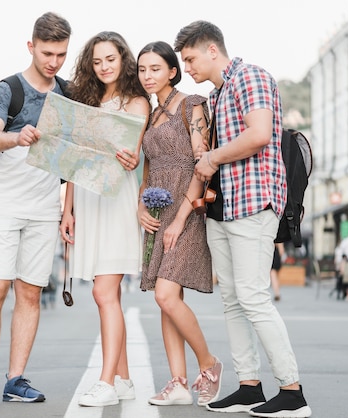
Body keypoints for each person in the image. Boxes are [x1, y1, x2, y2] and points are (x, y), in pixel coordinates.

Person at [174, 21, 312, 417]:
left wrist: (212, 157)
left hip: (252, 204)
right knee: (233, 300)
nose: (188, 68)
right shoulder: (216, 95)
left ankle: (292, 391)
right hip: (223, 208)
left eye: (191, 59)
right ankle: (249, 386)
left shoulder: (250, 77)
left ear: (212, 50)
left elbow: (260, 134)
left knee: (253, 297)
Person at [0, 12, 72, 409]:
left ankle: (15, 379)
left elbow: (76, 157)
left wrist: (68, 210)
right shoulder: (7, 89)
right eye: (47, 53)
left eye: (61, 54)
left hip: (45, 204)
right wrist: (15, 137)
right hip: (2, 203)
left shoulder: (67, 92)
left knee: (29, 293)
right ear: (31, 46)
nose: (54, 62)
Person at [59, 31, 149, 407]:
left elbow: (134, 154)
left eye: (110, 59)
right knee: (104, 295)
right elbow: (73, 161)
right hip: (89, 200)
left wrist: (132, 157)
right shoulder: (86, 101)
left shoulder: (137, 102)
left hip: (117, 199)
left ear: (123, 59)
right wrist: (67, 210)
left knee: (102, 292)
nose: (104, 67)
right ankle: (124, 379)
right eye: (96, 62)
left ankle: (107, 381)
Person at [136, 41, 222, 407]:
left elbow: (202, 166)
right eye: (142, 70)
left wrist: (181, 218)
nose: (147, 76)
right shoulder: (150, 116)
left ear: (172, 71)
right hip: (158, 212)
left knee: (166, 295)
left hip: (187, 211)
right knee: (167, 301)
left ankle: (209, 364)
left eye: (155, 68)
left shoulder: (193, 106)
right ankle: (178, 383)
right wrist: (142, 204)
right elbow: (149, 167)